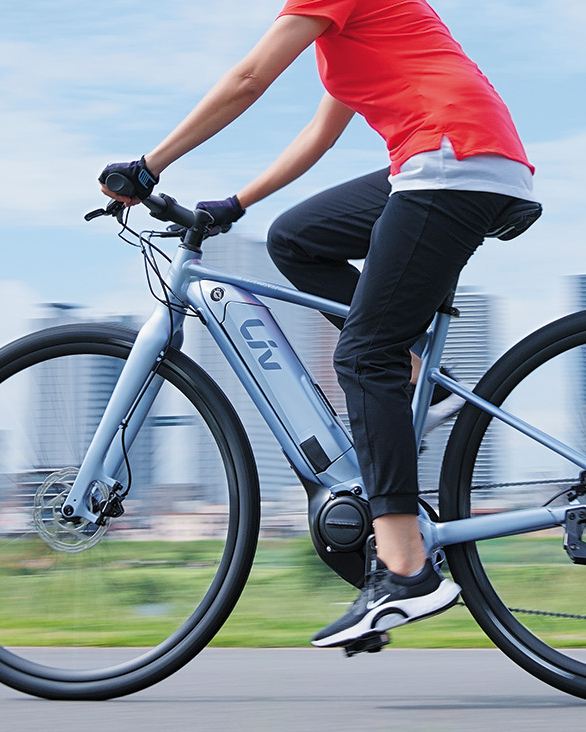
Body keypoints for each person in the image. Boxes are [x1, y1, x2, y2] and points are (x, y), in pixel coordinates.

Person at [97, 0, 536, 649]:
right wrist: (235, 204)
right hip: (458, 158)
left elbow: (249, 78)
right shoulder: (351, 30)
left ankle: (405, 571)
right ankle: (424, 379)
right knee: (297, 239)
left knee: (362, 357)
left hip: (450, 160)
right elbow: (320, 135)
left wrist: (149, 166)